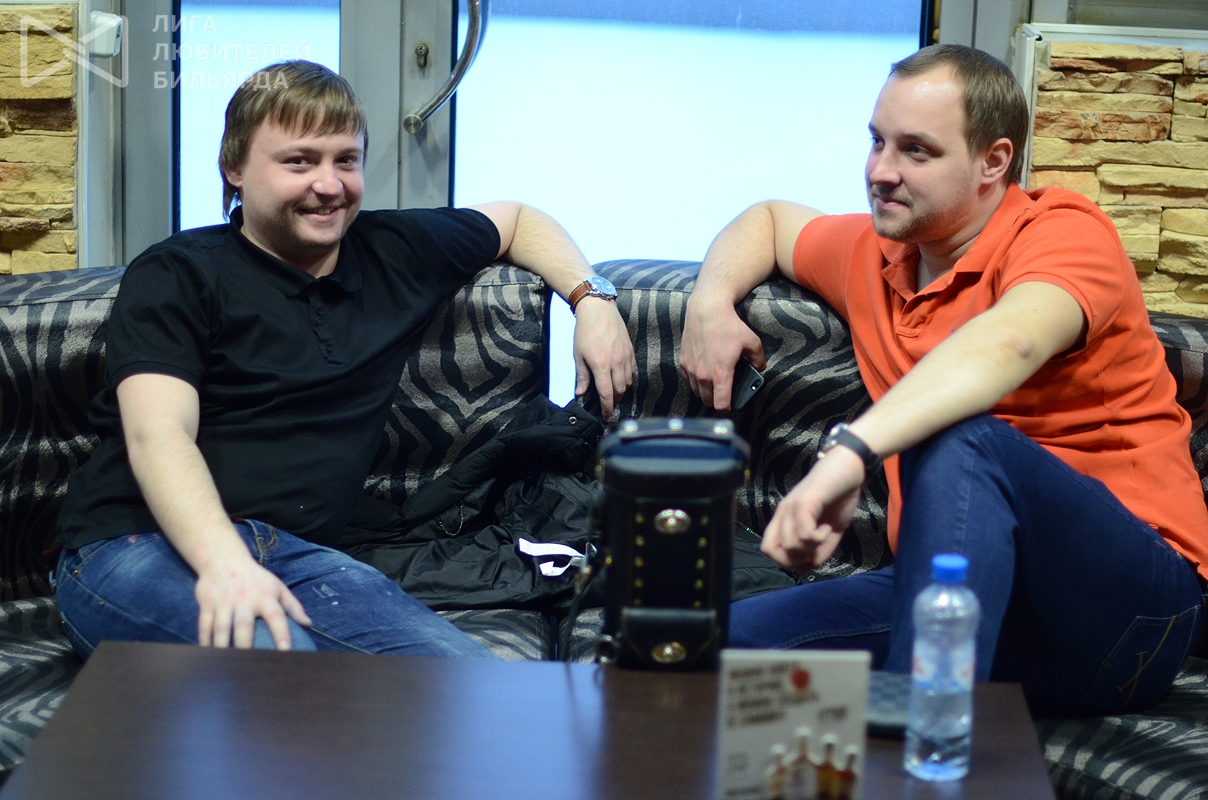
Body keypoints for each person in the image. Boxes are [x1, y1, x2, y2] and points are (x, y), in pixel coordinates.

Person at [680, 44, 1208, 715]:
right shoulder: (875, 255)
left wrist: (851, 451)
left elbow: (1008, 341)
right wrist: (710, 302)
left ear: (993, 161)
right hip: (965, 601)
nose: (881, 171)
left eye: (916, 151)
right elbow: (770, 219)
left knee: (961, 439)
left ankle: (921, 739)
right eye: (877, 142)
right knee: (713, 651)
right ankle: (900, 728)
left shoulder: (1062, 233)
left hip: (1130, 613)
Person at [53, 60, 635, 657]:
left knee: (468, 684)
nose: (329, 185)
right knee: (284, 681)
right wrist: (225, 563)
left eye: (346, 160)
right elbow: (158, 435)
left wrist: (591, 299)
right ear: (234, 167)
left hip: (302, 556)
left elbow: (517, 219)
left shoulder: (394, 252)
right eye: (299, 161)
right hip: (134, 547)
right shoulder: (178, 273)